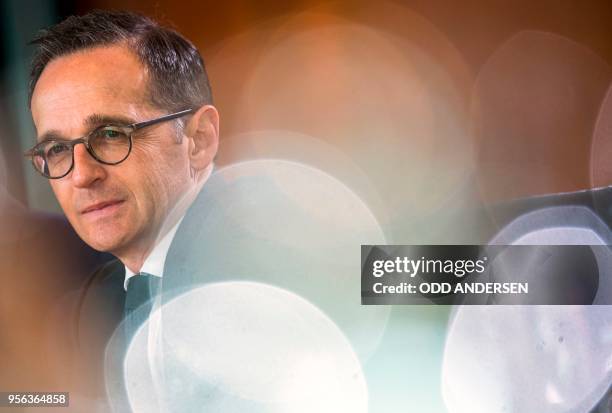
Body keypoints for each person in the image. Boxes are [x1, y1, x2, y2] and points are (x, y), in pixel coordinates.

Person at [25, 9, 219, 405]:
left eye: (111, 134)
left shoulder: (299, 241)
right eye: (58, 149)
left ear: (198, 140)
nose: (81, 175)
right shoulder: (94, 304)